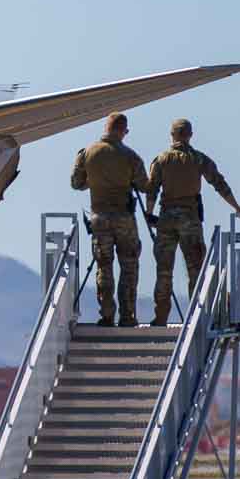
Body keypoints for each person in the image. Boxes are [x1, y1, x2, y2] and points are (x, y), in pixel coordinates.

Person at [146, 117, 240, 325]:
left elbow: (152, 190)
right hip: (190, 219)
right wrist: (237, 207)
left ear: (172, 135)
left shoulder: (161, 160)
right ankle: (196, 317)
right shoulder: (198, 159)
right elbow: (219, 184)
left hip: (166, 218)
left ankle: (160, 317)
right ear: (190, 135)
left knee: (163, 271)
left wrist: (149, 215)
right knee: (196, 270)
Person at [69, 112, 150, 326]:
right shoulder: (131, 157)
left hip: (99, 219)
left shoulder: (87, 153)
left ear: (106, 128)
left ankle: (106, 314)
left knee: (103, 266)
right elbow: (144, 185)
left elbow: (76, 183)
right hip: (125, 219)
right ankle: (127, 316)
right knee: (129, 267)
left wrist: (94, 181)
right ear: (124, 131)